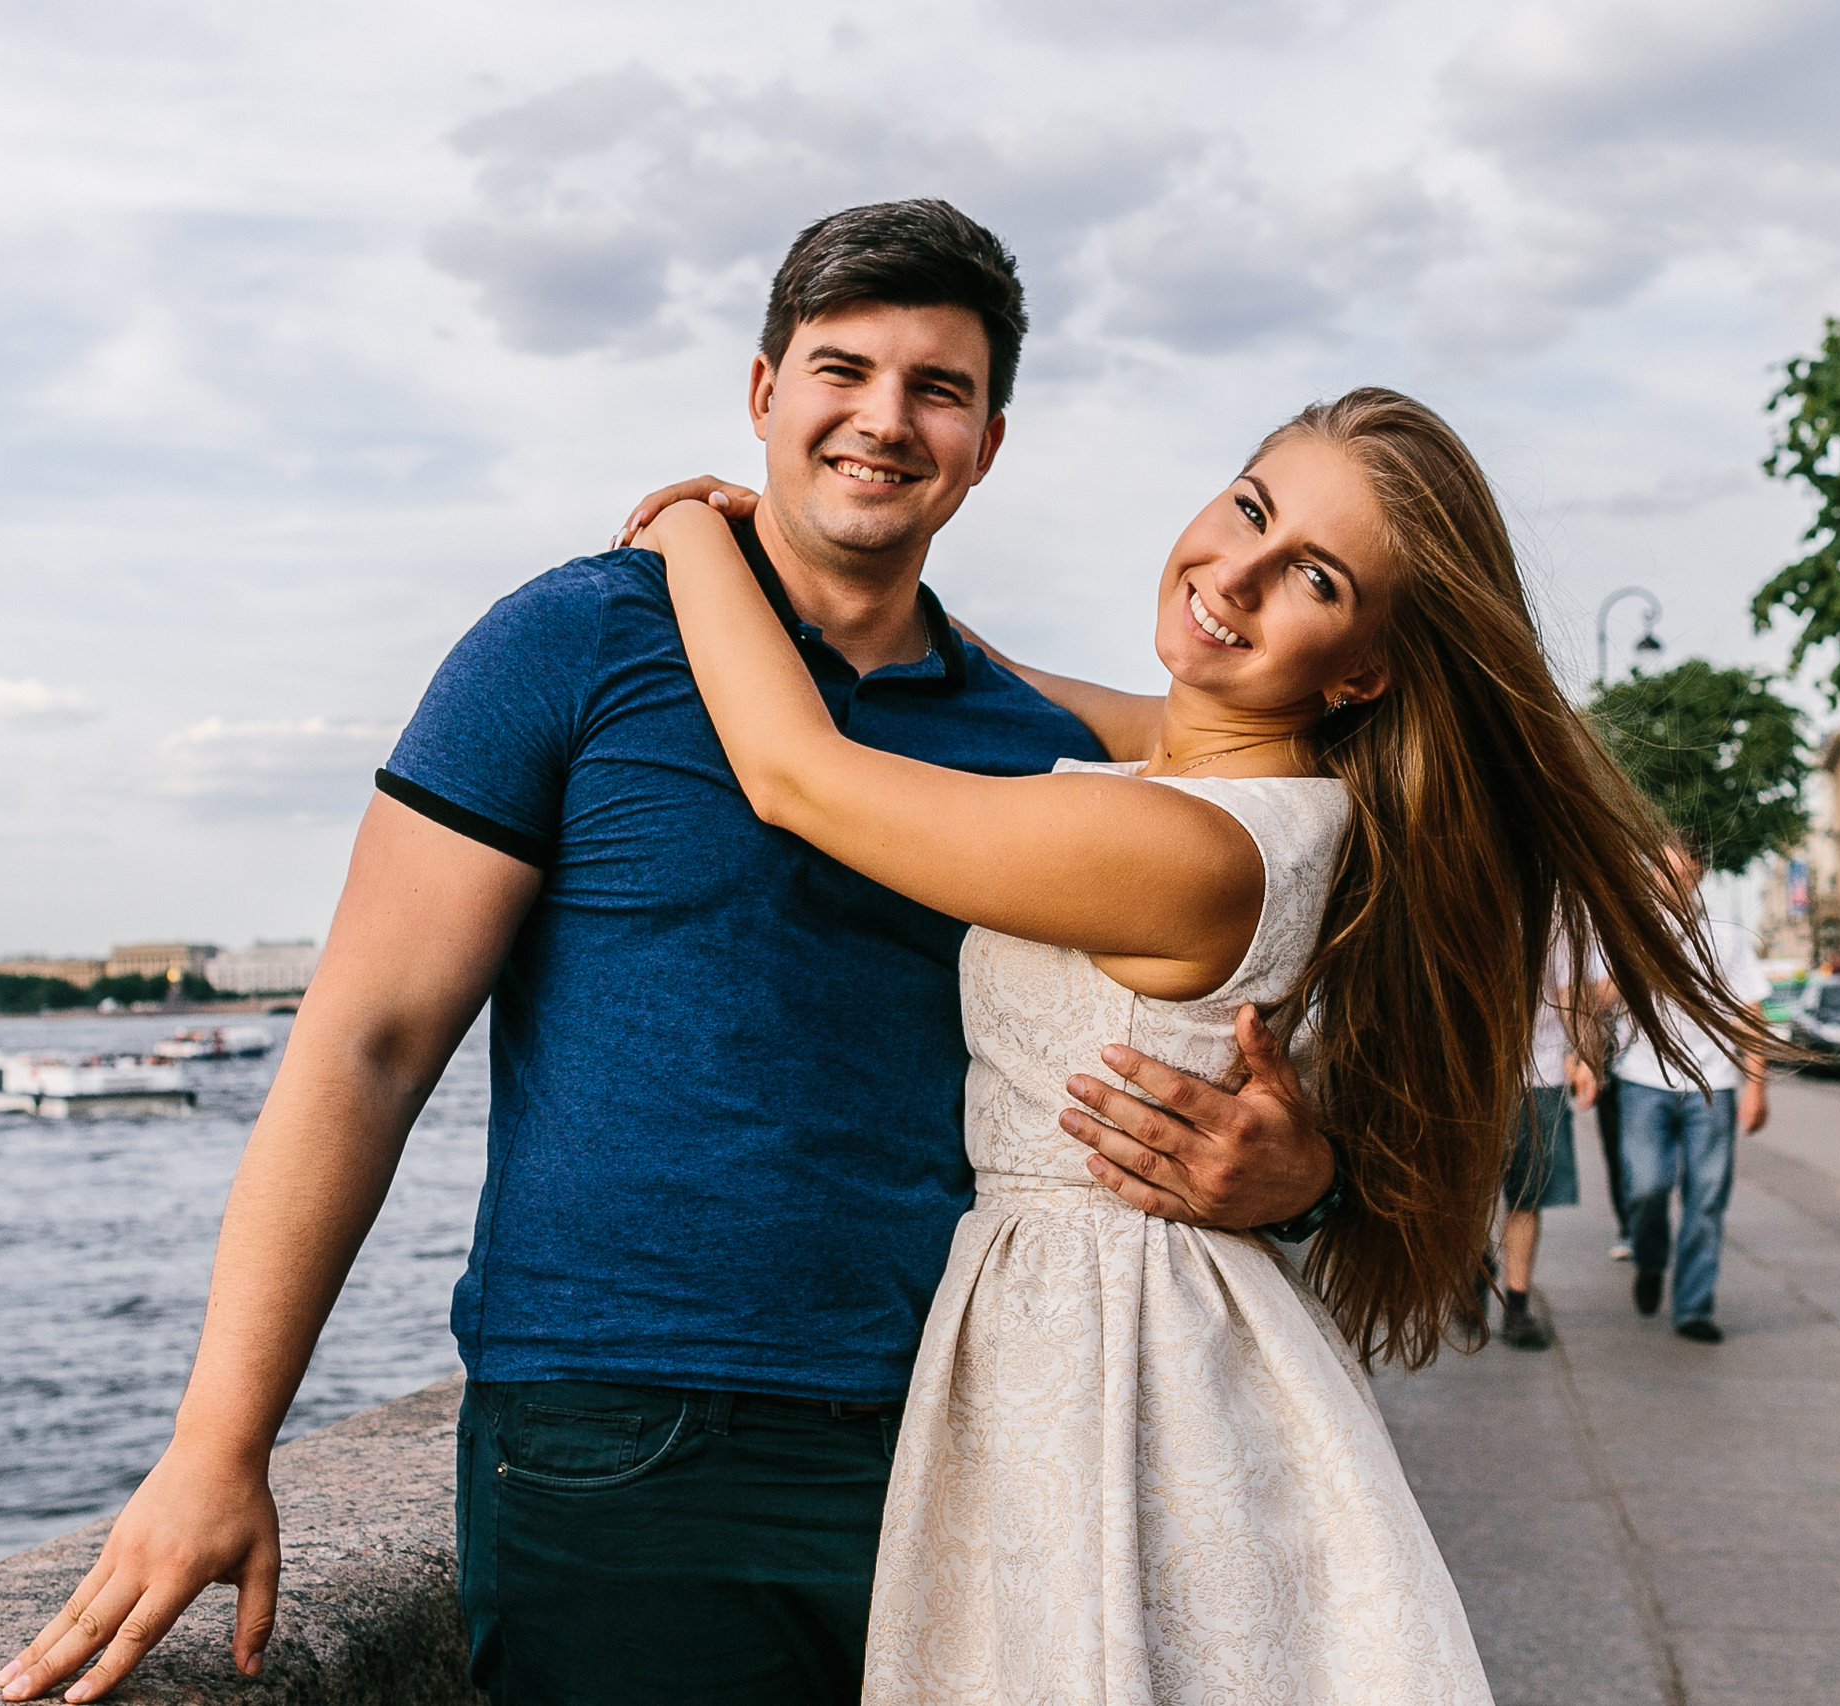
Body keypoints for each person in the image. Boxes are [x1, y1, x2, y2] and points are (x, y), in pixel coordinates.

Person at [0, 201, 1339, 1706]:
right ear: (763, 395)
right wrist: (216, 1440)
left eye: (938, 388)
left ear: (987, 442)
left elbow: (1259, 851)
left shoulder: (1031, 748)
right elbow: (366, 1046)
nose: (884, 419)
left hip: (967, 1441)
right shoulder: (570, 643)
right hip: (623, 1437)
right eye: (844, 368)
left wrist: (1304, 1173)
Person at [633, 387, 1767, 1702]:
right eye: (1250, 508)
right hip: (1131, 1331)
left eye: (1315, 579)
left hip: (1102, 1357)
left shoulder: (1187, 849)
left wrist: (688, 528)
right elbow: (1018, 688)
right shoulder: (1235, 784)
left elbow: (799, 776)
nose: (1236, 571)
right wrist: (808, 565)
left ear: (1364, 670)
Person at [1613, 834, 1772, 1345]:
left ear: (1698, 875)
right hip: (1642, 1081)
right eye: (1659, 874)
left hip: (1714, 1086)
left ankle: (1694, 1308)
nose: (1668, 885)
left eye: (1679, 876)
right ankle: (1651, 1259)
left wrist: (1755, 1085)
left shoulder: (1724, 935)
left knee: (1706, 1200)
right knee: (1646, 1188)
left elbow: (1750, 1011)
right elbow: (1598, 1001)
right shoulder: (1628, 929)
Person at [1495, 943, 1602, 1349]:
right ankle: (1469, 1277)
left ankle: (1516, 1306)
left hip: (1537, 1073)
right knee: (1470, 1196)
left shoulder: (1554, 896)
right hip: (1470, 1075)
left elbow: (1571, 989)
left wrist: (1586, 1054)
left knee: (1526, 1196)